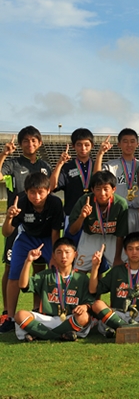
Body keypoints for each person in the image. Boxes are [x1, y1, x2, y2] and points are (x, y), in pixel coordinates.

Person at [0, 127, 52, 326]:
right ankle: (7, 312)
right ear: (20, 144)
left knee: (39, 266)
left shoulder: (45, 166)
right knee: (10, 266)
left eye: (33, 141)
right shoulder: (13, 164)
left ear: (39, 143)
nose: (30, 144)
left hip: (40, 223)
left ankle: (37, 307)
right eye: (25, 141)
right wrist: (4, 154)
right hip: (18, 221)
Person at [0, 172, 64, 334]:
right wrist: (9, 218)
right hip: (26, 238)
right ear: (26, 192)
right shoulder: (21, 202)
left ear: (48, 190)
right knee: (14, 275)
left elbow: (56, 232)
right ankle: (10, 317)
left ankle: (41, 310)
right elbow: (7, 233)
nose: (36, 196)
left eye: (40, 192)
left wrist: (53, 255)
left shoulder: (55, 203)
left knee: (51, 273)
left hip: (48, 238)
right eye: (32, 192)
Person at [89, 232, 139, 338]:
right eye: (130, 249)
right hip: (118, 315)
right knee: (97, 304)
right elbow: (93, 290)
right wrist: (95, 267)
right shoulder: (117, 271)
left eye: (138, 249)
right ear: (125, 251)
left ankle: (124, 328)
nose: (134, 252)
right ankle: (133, 328)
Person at [14, 237, 93, 341]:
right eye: (59, 252)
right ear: (54, 256)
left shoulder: (82, 278)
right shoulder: (46, 275)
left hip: (69, 318)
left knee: (84, 317)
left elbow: (90, 301)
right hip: (47, 319)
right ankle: (60, 336)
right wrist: (28, 261)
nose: (63, 256)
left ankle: (40, 334)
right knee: (20, 315)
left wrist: (85, 306)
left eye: (67, 252)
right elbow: (23, 285)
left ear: (75, 255)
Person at [67, 170, 128, 272]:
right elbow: (72, 231)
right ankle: (76, 287)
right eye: (98, 189)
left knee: (122, 270)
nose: (102, 193)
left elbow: (120, 234)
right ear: (92, 189)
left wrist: (117, 258)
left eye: (106, 189)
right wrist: (82, 217)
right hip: (91, 236)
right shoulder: (84, 200)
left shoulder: (121, 204)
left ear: (113, 189)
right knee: (78, 270)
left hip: (112, 237)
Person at [94, 129, 139, 234]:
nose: (129, 144)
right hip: (119, 212)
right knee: (118, 246)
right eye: (125, 141)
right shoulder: (111, 165)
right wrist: (100, 154)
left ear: (137, 144)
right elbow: (96, 178)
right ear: (119, 144)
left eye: (132, 141)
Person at [50, 128, 95, 232]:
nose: (83, 148)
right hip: (72, 215)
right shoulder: (67, 167)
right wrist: (60, 164)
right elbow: (52, 187)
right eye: (79, 145)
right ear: (73, 146)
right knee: (70, 247)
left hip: (94, 215)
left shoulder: (96, 166)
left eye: (86, 145)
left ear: (92, 146)